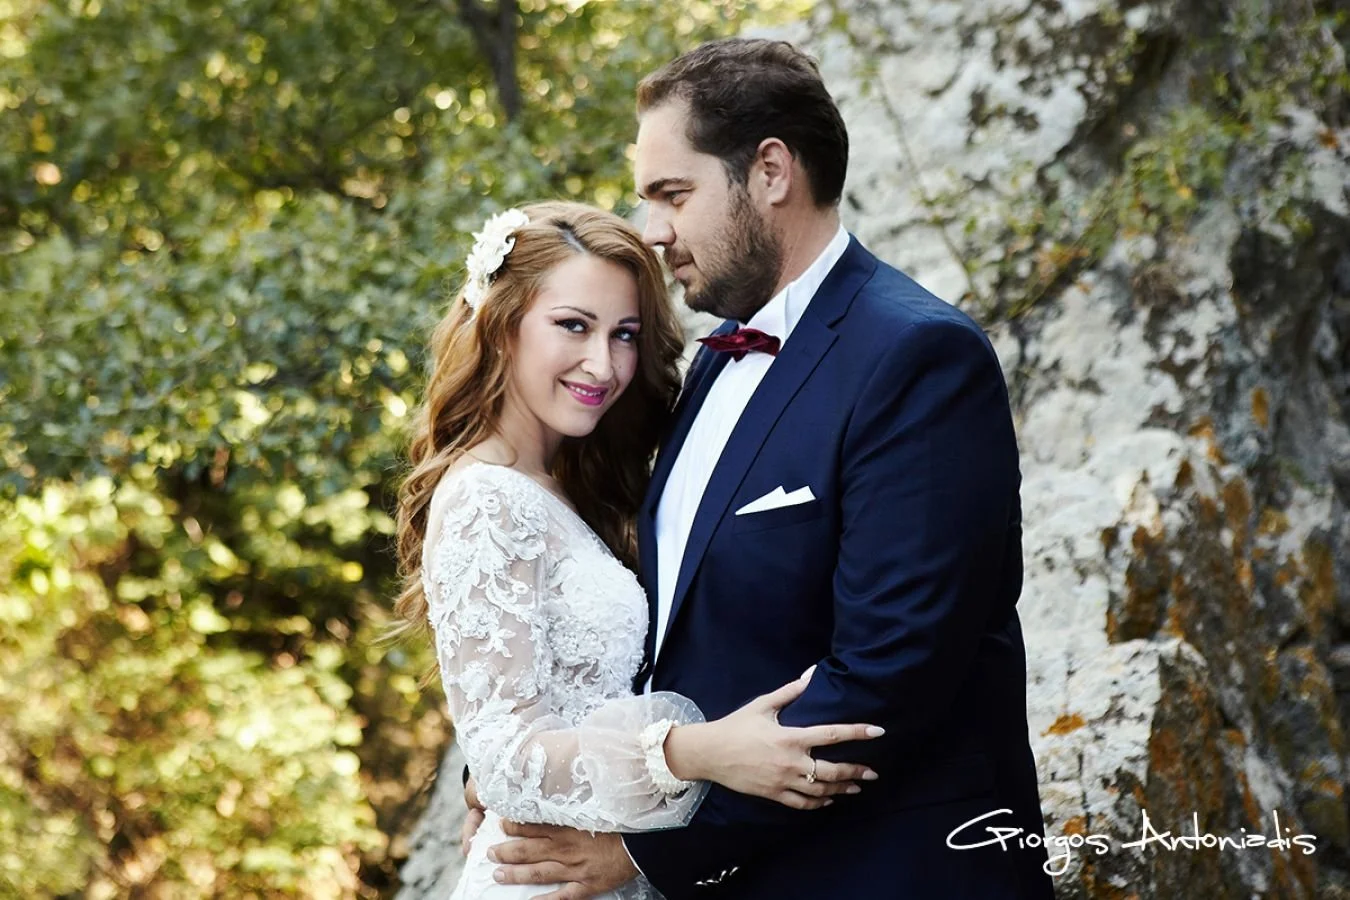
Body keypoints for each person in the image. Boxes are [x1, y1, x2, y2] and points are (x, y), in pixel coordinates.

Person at [480, 40, 1057, 900]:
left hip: (884, 872)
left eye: (673, 194)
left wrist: (649, 854)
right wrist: (529, 769)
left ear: (772, 172)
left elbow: (888, 676)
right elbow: (673, 640)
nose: (652, 230)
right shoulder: (716, 358)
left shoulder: (918, 357)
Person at [393, 201, 884, 900]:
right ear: (501, 326)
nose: (605, 363)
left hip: (615, 866)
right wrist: (697, 754)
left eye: (625, 334)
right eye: (573, 326)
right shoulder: (486, 498)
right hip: (542, 880)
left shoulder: (567, 484)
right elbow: (502, 758)